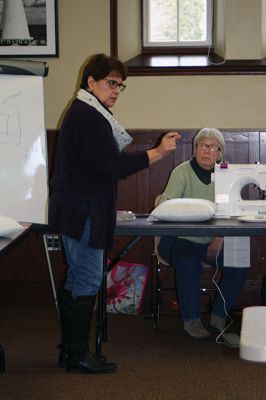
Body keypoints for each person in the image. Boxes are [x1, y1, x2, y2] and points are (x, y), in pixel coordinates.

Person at [48, 53, 180, 374]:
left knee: (79, 276)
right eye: (111, 82)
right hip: (83, 212)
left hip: (78, 209)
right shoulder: (89, 116)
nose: (117, 89)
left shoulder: (85, 112)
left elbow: (99, 166)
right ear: (90, 82)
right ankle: (76, 355)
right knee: (88, 278)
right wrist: (157, 152)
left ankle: (71, 351)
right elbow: (112, 166)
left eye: (121, 85)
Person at [157, 128, 249, 340]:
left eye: (212, 147)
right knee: (188, 264)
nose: (206, 150)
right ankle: (191, 319)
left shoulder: (226, 176)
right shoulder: (182, 172)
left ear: (220, 152)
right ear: (195, 148)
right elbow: (165, 202)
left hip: (214, 240)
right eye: (202, 145)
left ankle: (219, 315)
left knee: (240, 259)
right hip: (181, 239)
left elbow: (232, 213)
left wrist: (219, 237)